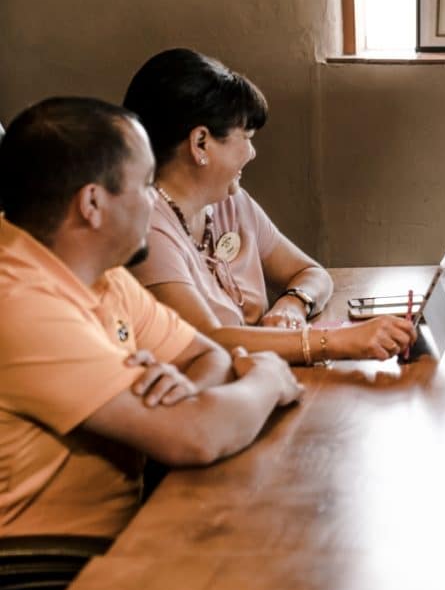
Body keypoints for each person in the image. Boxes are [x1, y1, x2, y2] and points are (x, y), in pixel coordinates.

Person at [0, 98, 302, 538]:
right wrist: (270, 379)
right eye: (145, 185)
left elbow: (209, 354)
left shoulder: (100, 271)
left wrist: (188, 392)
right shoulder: (21, 304)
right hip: (43, 565)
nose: (154, 201)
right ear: (92, 203)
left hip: (121, 531)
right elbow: (194, 437)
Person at [124, 49, 415, 364]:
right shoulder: (146, 228)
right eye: (246, 137)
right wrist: (335, 341)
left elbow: (311, 272)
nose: (251, 153)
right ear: (201, 143)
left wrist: (291, 304)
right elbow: (206, 340)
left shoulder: (229, 202)